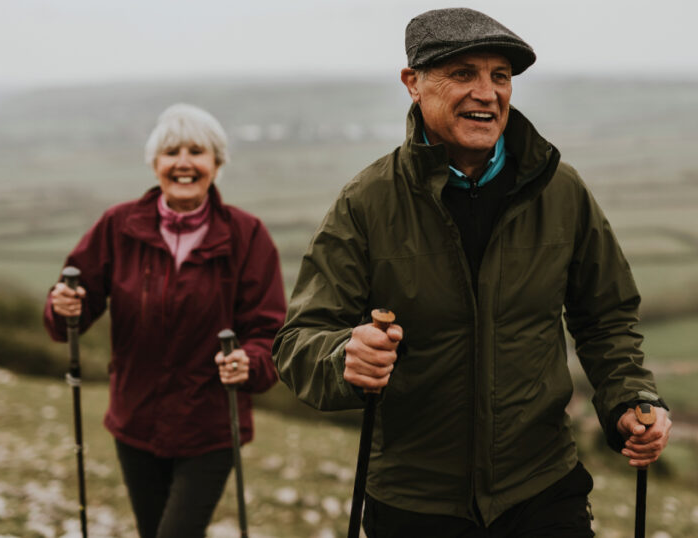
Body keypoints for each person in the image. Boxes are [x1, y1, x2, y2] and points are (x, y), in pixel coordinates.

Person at [273, 8, 673, 537]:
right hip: (415, 502)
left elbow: (607, 318)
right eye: (463, 73)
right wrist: (344, 356)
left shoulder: (562, 192)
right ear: (412, 83)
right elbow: (298, 340)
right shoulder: (365, 203)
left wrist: (630, 398)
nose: (487, 93)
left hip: (543, 488)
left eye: (500, 76)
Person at [43, 103, 286, 538]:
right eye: (172, 152)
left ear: (217, 163)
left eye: (198, 151)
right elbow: (70, 313)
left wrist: (249, 361)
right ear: (155, 164)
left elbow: (268, 333)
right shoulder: (118, 227)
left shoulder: (247, 236)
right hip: (136, 421)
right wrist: (64, 306)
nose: (184, 163)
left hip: (210, 426)